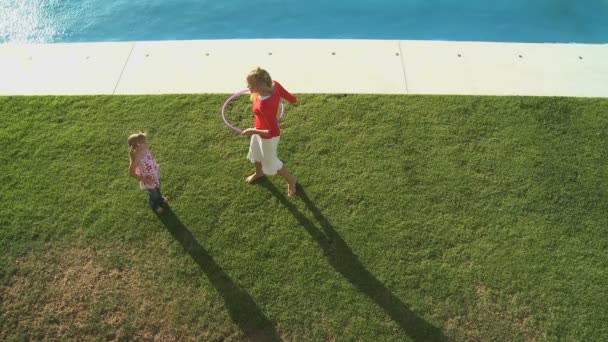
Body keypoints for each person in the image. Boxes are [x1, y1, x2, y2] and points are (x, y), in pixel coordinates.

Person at [241, 67, 297, 197]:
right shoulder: (274, 85)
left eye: (250, 85)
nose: (247, 86)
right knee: (256, 153)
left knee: (272, 162)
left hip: (268, 137)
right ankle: (259, 173)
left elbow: (272, 131)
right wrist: (286, 100)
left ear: (260, 86)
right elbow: (291, 98)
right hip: (259, 131)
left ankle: (291, 180)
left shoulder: (264, 105)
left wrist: (252, 131)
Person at [127, 132, 168, 213]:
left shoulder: (145, 149)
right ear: (138, 146)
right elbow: (131, 173)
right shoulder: (137, 158)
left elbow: (149, 158)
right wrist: (145, 180)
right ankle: (155, 205)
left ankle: (160, 199)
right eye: (144, 142)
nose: (147, 143)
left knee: (157, 188)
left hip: (154, 174)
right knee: (153, 193)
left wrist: (155, 165)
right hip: (148, 179)